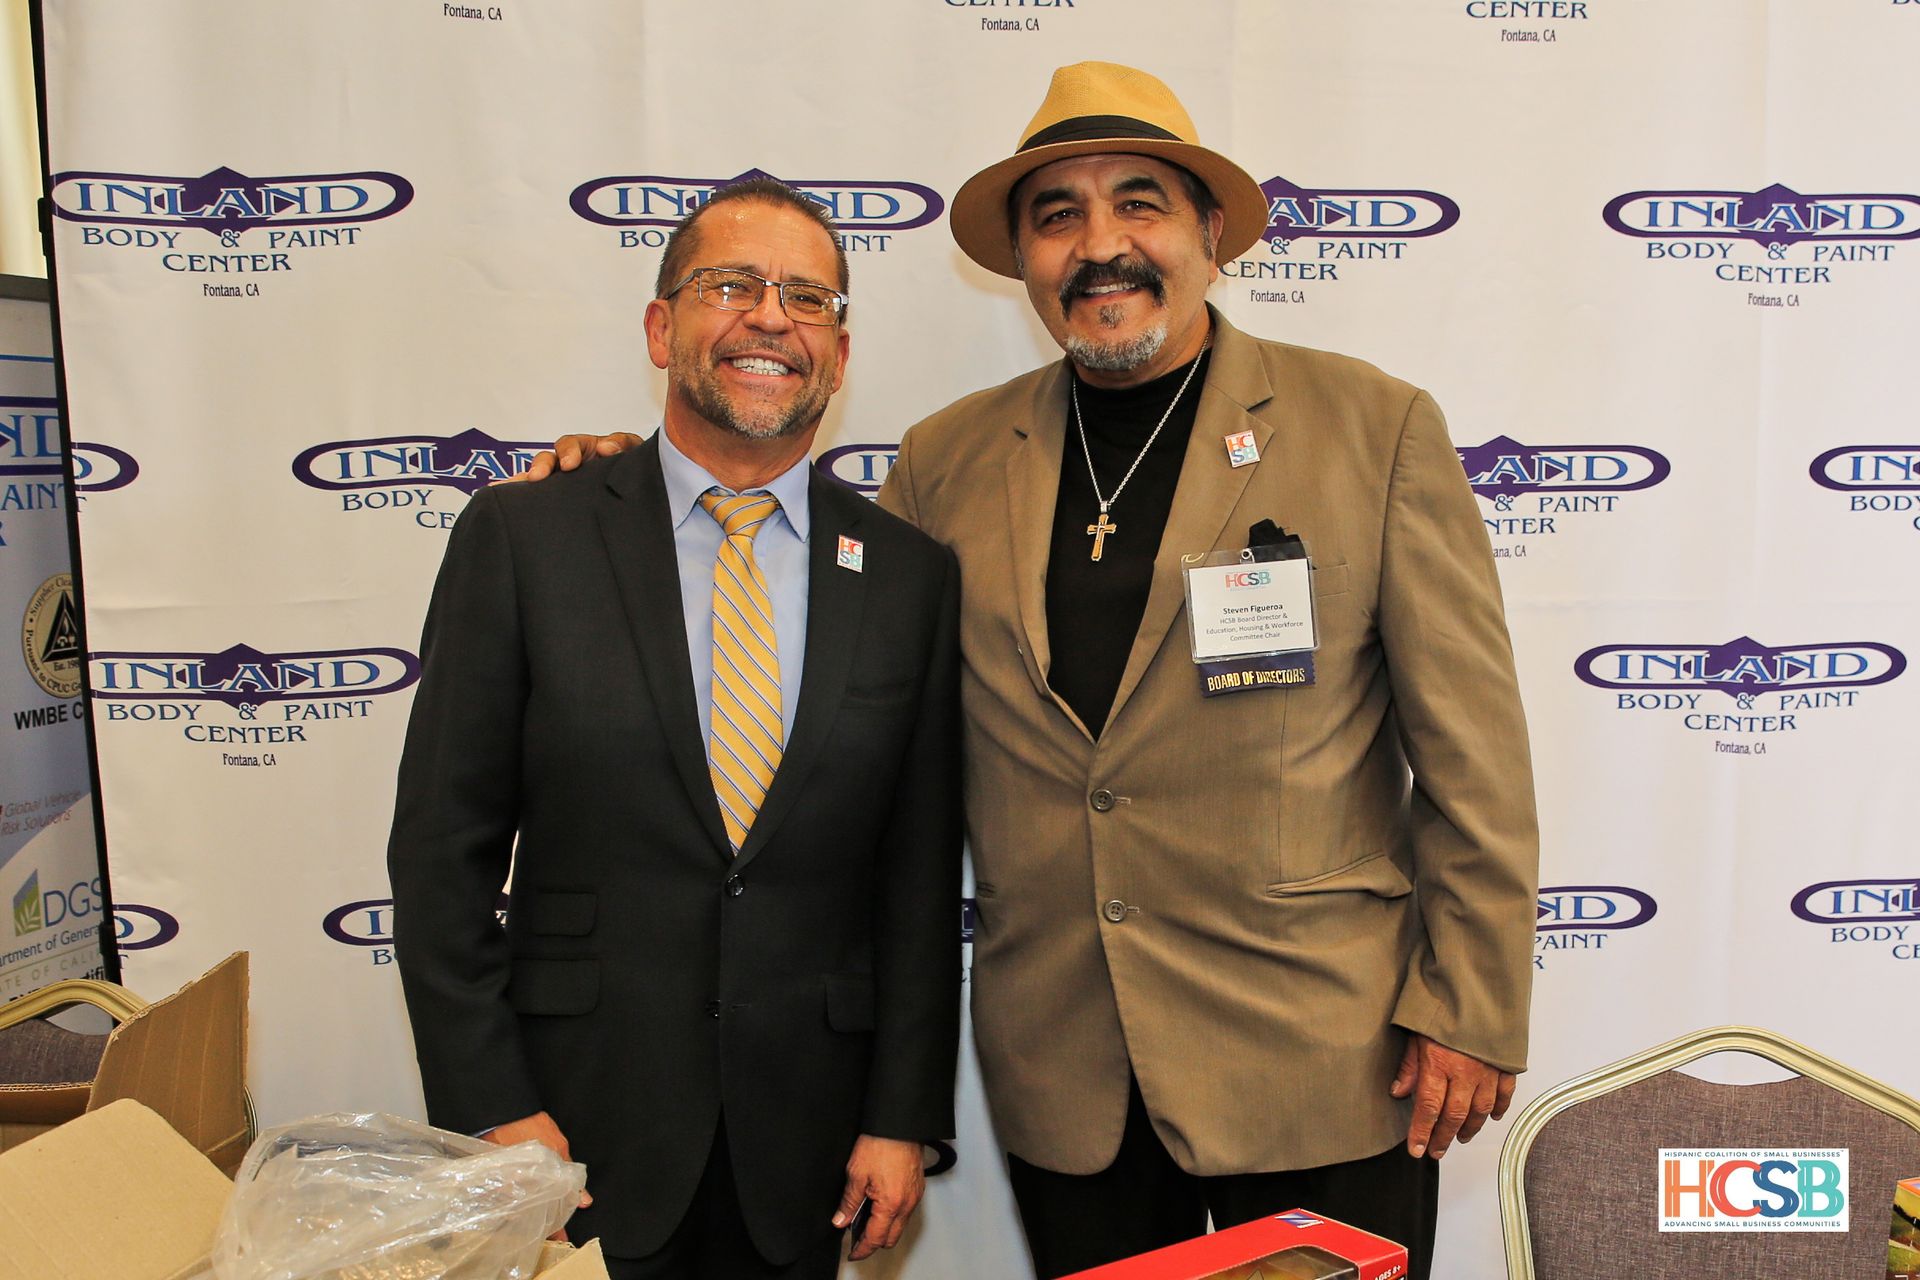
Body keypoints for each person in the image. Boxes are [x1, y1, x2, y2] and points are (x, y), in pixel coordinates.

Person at [531, 63, 1538, 1280]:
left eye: (1140, 204)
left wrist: (1470, 1003)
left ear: (1210, 233)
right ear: (1023, 261)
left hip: (1325, 1058)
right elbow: (797, 610)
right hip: (1071, 1076)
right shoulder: (949, 464)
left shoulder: (1372, 431)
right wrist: (621, 495)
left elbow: (1473, 756)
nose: (1101, 245)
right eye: (1058, 215)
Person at [387, 178, 962, 1280]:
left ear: (838, 355)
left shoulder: (907, 577)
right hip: (571, 1141)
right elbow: (439, 853)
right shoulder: (525, 536)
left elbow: (917, 882)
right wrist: (496, 1107)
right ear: (662, 327)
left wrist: (900, 1116)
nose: (770, 316)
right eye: (729, 285)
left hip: (806, 1149)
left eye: (808, 296)